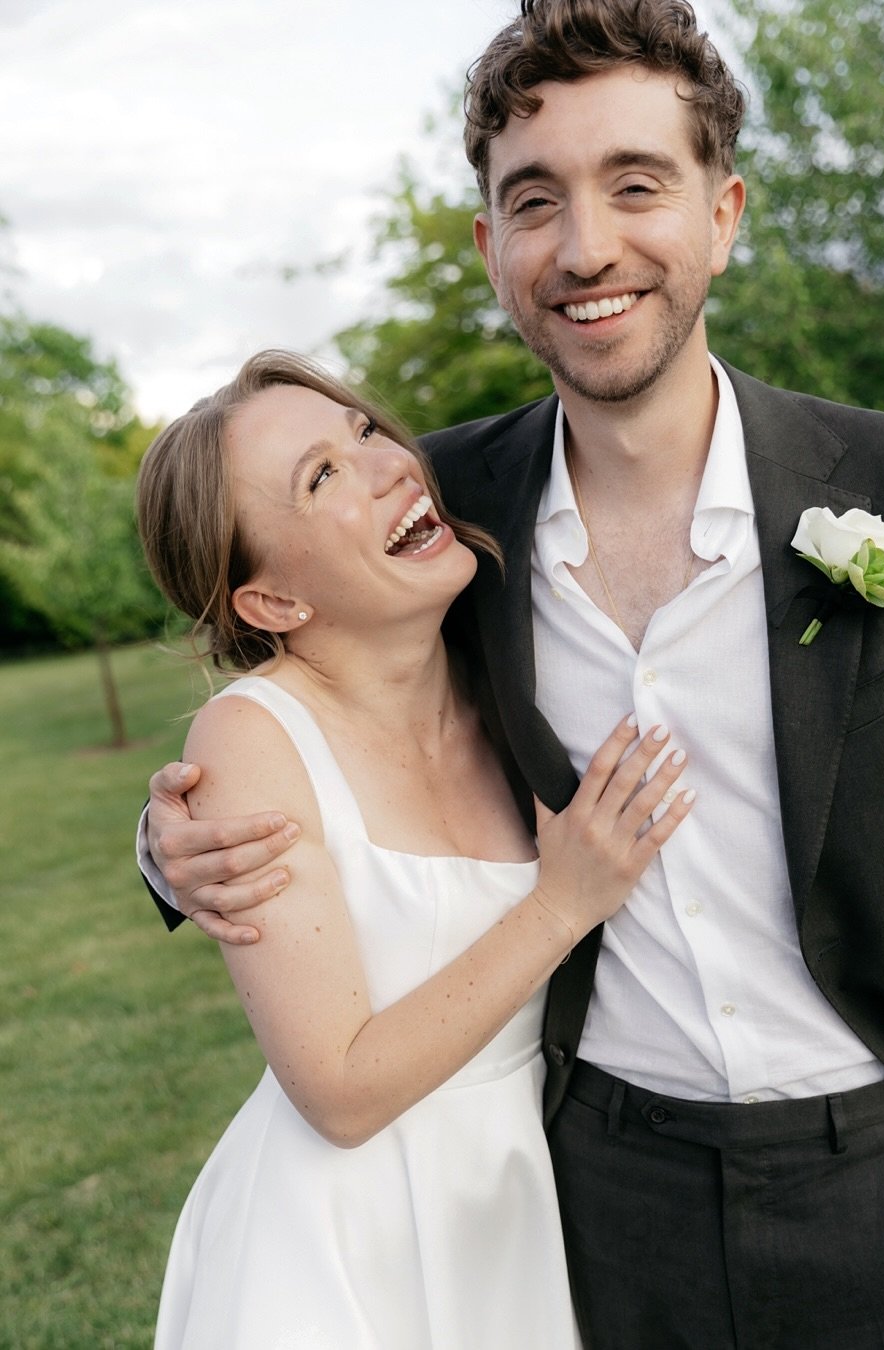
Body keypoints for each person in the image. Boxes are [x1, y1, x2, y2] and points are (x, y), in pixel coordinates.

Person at [140, 2, 884, 1346]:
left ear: (724, 211)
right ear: (491, 246)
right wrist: (171, 848)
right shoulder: (437, 515)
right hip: (596, 1200)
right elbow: (305, 680)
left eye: (637, 184)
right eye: (534, 200)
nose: (587, 247)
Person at [135, 348, 695, 1349]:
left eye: (360, 430)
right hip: (340, 1251)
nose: (388, 463)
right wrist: (563, 904)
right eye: (320, 478)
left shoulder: (501, 659)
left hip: (514, 1212)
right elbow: (340, 1090)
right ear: (272, 606)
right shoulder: (251, 740)